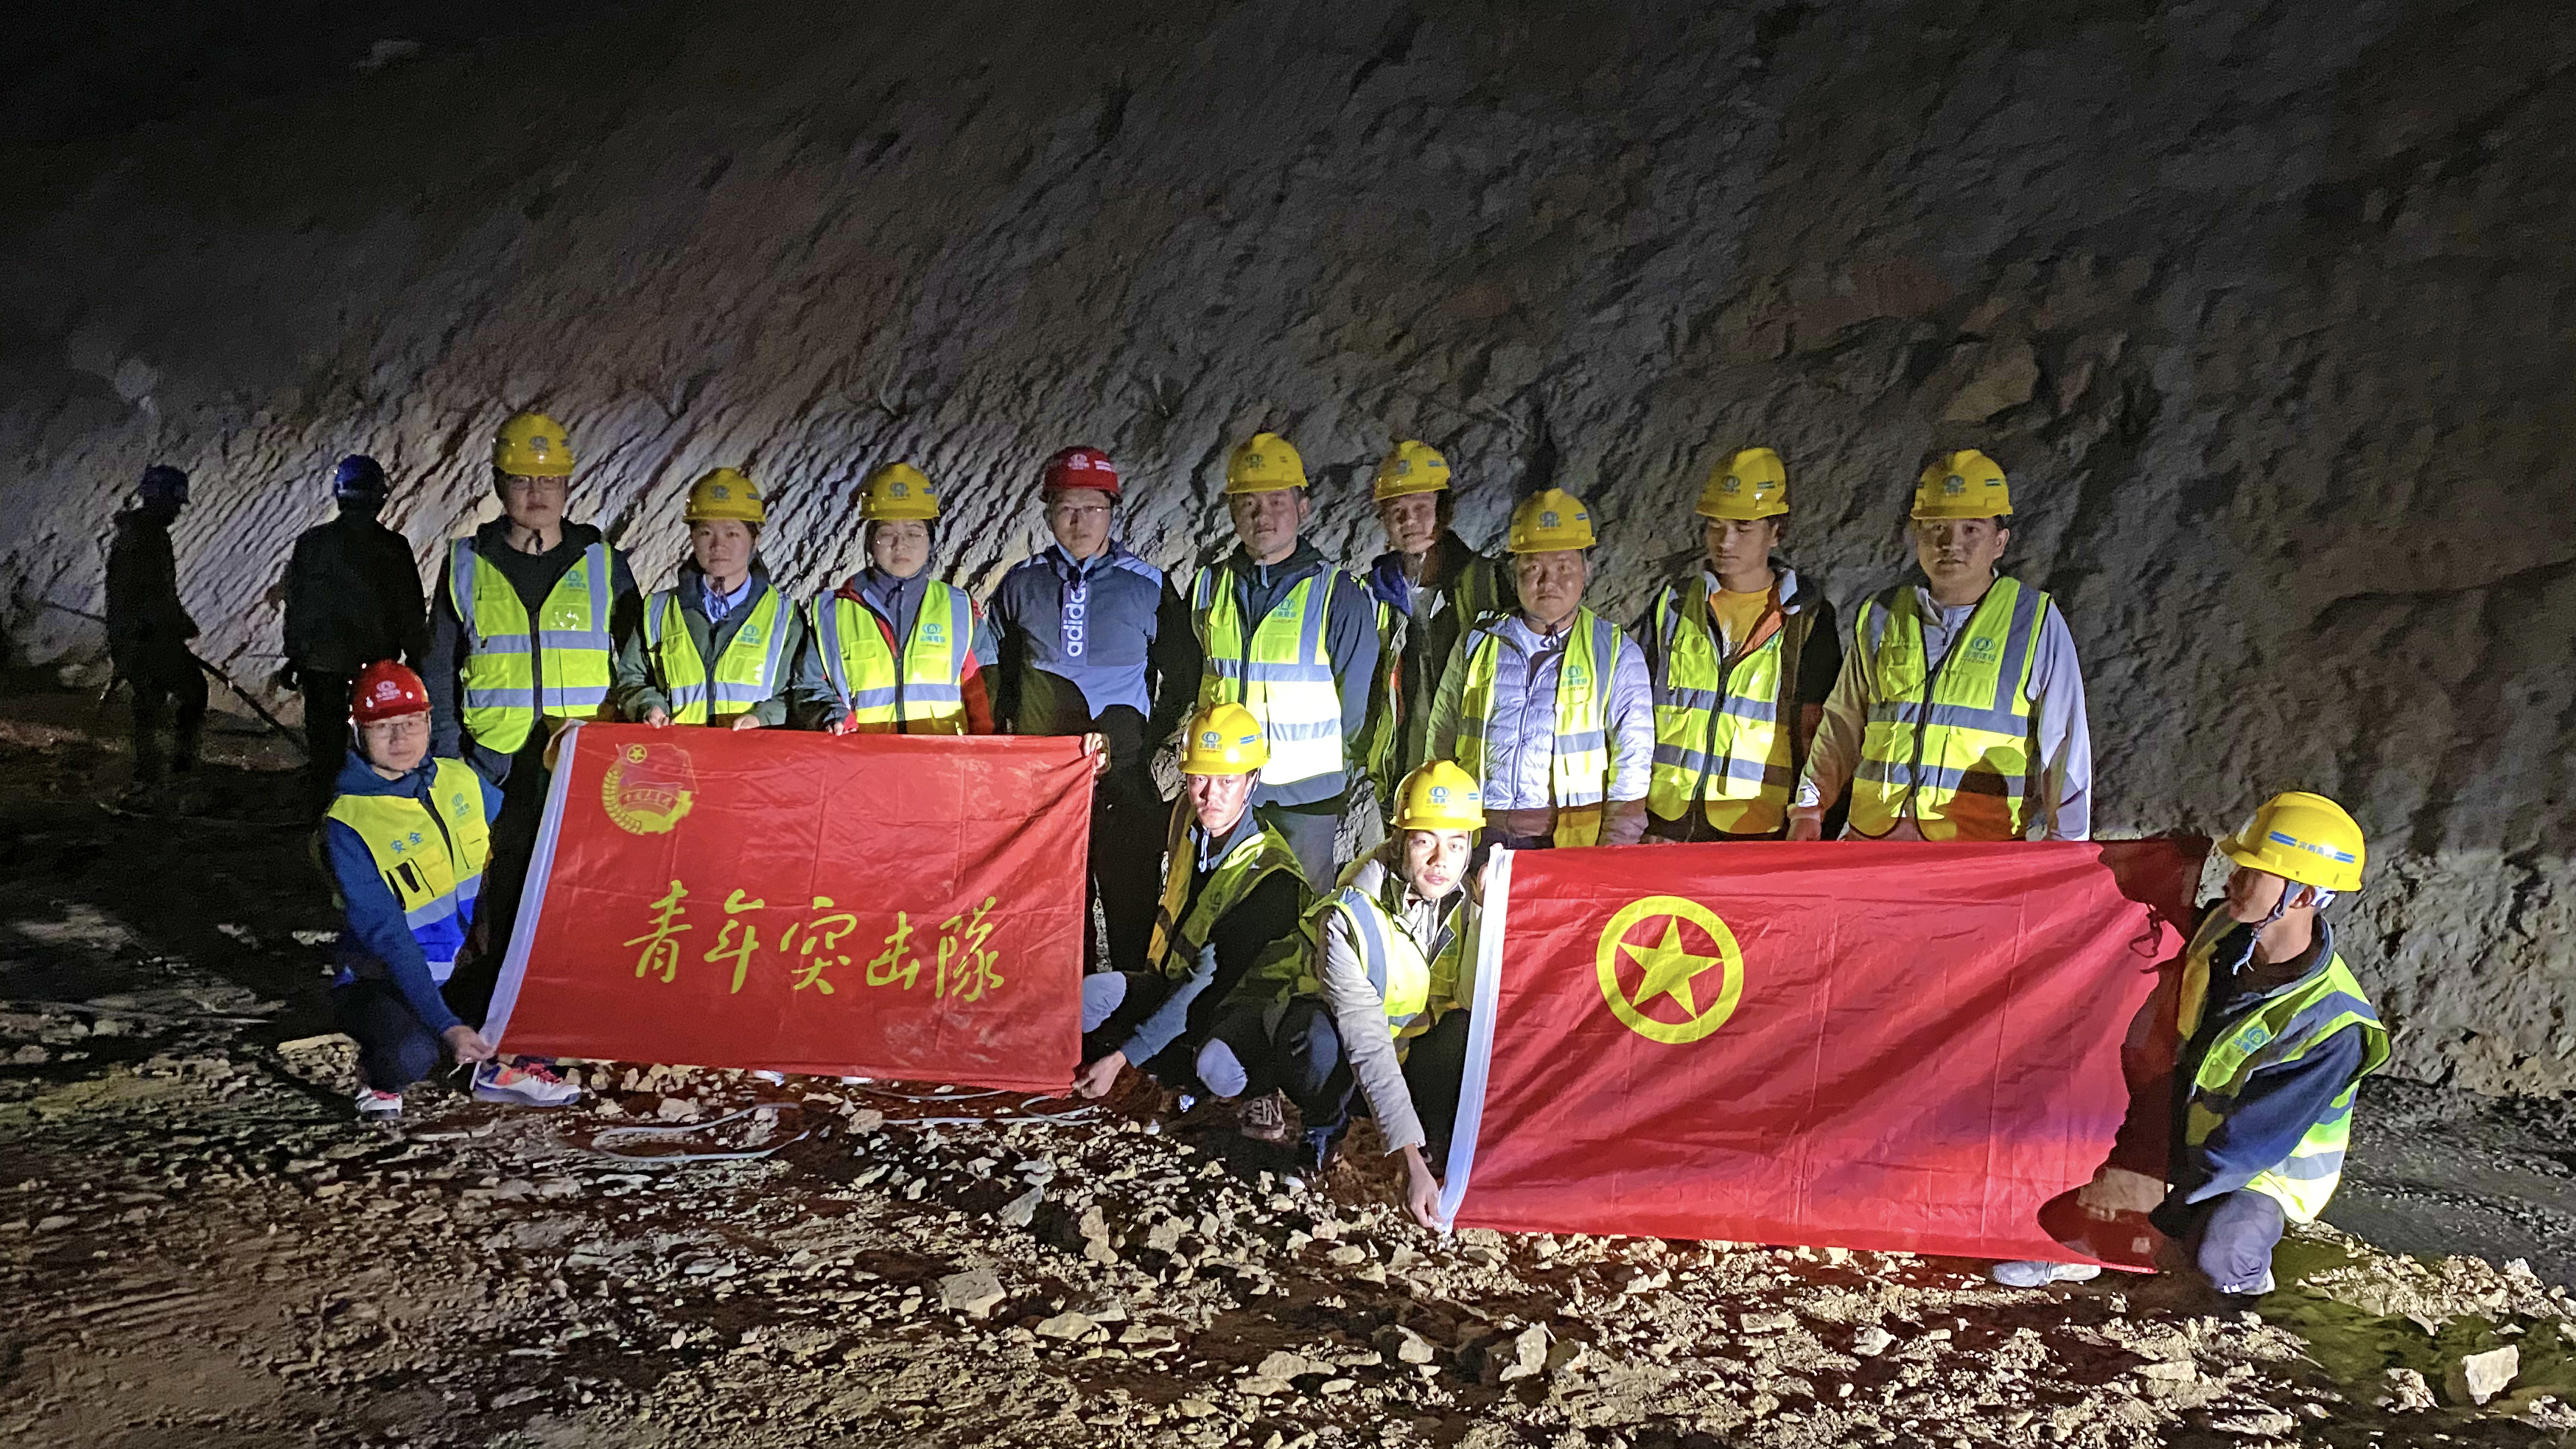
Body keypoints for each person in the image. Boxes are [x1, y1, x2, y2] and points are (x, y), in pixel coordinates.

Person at [1995, 792, 2387, 1292]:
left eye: (2252, 872)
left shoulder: (2332, 1024)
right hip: (2185, 1127)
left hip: (2260, 1173)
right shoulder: (2225, 930)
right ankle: (2090, 1246)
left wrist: (2163, 1214)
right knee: (2075, 1207)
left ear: (2303, 896)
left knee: (2221, 1251)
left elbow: (2247, 1148)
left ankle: (2244, 1292)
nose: (2233, 880)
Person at [424, 411, 640, 1020]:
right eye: (522, 480)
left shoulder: (602, 561)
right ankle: (502, 1004)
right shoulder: (465, 562)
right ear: (498, 484)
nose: (536, 493)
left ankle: (577, 999)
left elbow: (635, 660)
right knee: (504, 883)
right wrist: (449, 754)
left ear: (568, 486)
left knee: (583, 882)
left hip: (581, 761)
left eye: (548, 480)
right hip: (494, 759)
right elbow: (439, 663)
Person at [1194, 760, 1484, 1209]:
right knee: (1314, 1036)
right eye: (1425, 841)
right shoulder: (1350, 915)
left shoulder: (1469, 905)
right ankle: (1324, 1128)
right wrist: (1406, 1157)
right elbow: (1365, 1040)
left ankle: (1439, 1143)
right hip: (1350, 1060)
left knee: (1465, 1030)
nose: (1440, 860)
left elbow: (1476, 997)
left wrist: (1489, 910)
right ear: (1400, 841)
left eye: (1456, 844)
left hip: (1411, 1056)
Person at [1791, 450, 2090, 842]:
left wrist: (2067, 845)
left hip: (1975, 853)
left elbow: (2065, 742)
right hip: (1874, 844)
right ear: (1918, 535)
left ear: (2000, 542)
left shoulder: (2034, 622)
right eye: (1936, 527)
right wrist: (1810, 807)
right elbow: (1842, 723)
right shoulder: (1881, 615)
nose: (1951, 543)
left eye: (1971, 529)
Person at [322, 660, 579, 1117]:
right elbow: (388, 936)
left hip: (461, 968)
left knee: (556, 979)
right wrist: (445, 1025)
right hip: (385, 980)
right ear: (357, 732)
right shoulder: (347, 823)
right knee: (413, 1054)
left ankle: (505, 1068)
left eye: (411, 722)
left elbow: (525, 835)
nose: (400, 739)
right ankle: (381, 1080)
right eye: (382, 727)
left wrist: (567, 759)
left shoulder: (458, 780)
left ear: (428, 722)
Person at [987, 447, 1201, 971]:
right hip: (1046, 786)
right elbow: (998, 677)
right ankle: (1067, 1014)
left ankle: (1129, 1012)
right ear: (1048, 514)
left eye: (1092, 508)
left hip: (1124, 782)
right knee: (1056, 916)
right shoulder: (1020, 585)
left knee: (1132, 910)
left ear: (1112, 511)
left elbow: (1183, 675)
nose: (1079, 521)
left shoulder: (1147, 585)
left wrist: (1149, 744)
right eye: (1066, 508)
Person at [1072, 703, 1309, 1102]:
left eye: (1227, 781)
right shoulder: (1188, 813)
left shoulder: (1271, 878)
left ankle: (1257, 1097)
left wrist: (1121, 1061)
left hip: (1232, 1008)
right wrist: (1104, 772)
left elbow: (1201, 987)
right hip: (1170, 984)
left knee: (1216, 1066)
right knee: (1087, 997)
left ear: (1252, 780)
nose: (1210, 796)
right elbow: (1137, 826)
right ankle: (1166, 1063)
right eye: (1199, 778)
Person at [1186, 432, 1382, 888]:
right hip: (1226, 791)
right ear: (1232, 511)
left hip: (1304, 801)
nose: (1263, 516)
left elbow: (1358, 706)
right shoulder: (1208, 587)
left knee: (1301, 913)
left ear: (1302, 507)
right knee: (1219, 911)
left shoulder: (1337, 595)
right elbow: (1192, 674)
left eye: (1277, 501)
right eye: (1249, 503)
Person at [1427, 488, 1653, 848]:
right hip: (1478, 835)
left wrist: (1613, 849)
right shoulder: (1478, 641)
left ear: (1586, 569)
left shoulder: (1614, 653)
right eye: (1533, 567)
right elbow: (1441, 736)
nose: (1548, 581)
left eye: (1563, 567)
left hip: (1568, 844)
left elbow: (1633, 761)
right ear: (1514, 571)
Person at [1640, 447, 1842, 841]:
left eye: (1743, 527)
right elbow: (1635, 716)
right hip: (1665, 825)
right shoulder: (1673, 606)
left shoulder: (1807, 620)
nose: (1725, 541)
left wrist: (1815, 819)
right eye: (1715, 526)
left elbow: (1821, 733)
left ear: (1776, 532)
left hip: (1757, 830)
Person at [1356, 440, 1513, 811]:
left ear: (1443, 510)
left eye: (1420, 508)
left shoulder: (1488, 583)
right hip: (1399, 766)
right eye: (1397, 511)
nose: (1409, 521)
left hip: (1471, 767)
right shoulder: (1372, 592)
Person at [794, 464, 998, 734]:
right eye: (887, 533)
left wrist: (984, 755)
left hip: (941, 758)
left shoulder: (960, 611)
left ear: (930, 541)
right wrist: (831, 715)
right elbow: (808, 687)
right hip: (863, 758)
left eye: (913, 533)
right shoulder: (832, 613)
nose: (900, 545)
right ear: (870, 542)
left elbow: (985, 697)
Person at [279, 455, 430, 814]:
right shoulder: (393, 547)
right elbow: (410, 611)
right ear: (379, 497)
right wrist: (417, 661)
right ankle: (368, 808)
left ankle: (325, 811)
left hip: (322, 666)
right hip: (374, 669)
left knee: (325, 746)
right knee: (373, 743)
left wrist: (295, 657)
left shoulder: (313, 543)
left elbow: (298, 605)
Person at [609, 468, 802, 730]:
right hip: (677, 752)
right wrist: (649, 706)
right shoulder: (657, 611)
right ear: (692, 537)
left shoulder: (784, 616)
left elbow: (799, 692)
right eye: (706, 533)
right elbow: (632, 678)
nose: (718, 545)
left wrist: (762, 717)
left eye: (732, 533)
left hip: (752, 753)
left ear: (755, 540)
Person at [105, 464, 206, 796]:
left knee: (151, 699)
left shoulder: (138, 532)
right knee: (191, 690)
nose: (177, 511)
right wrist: (174, 623)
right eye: (175, 503)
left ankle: (150, 773)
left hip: (135, 636)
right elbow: (152, 593)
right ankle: (175, 770)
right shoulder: (146, 537)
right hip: (146, 637)